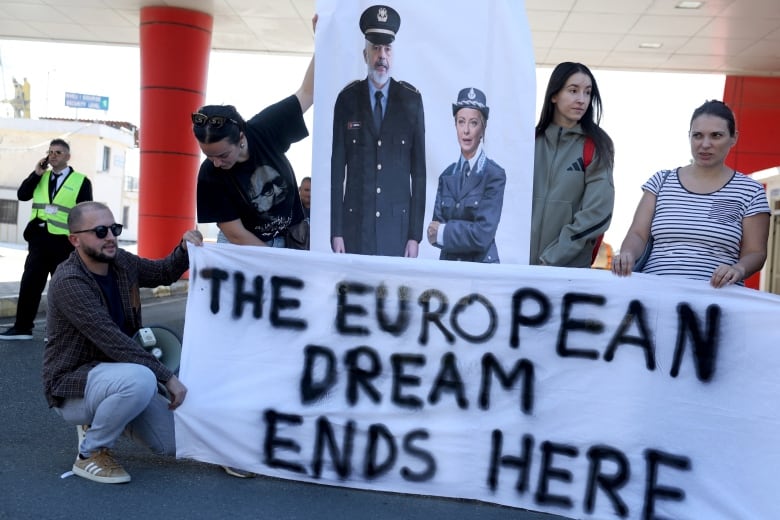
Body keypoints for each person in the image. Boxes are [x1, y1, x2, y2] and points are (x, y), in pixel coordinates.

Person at [42, 201, 202, 484]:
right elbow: (112, 340)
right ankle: (90, 453)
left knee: (174, 444)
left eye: (114, 229)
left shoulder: (121, 263)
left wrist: (184, 249)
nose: (110, 237)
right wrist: (167, 378)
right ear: (75, 239)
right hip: (75, 384)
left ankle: (111, 412)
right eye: (101, 231)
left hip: (119, 376)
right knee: (141, 379)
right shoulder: (69, 281)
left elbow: (162, 272)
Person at [611, 100, 770, 288]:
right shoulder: (660, 182)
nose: (705, 144)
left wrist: (739, 269)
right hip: (655, 296)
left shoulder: (751, 191)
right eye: (697, 135)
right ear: (689, 136)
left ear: (733, 138)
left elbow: (756, 252)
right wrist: (628, 253)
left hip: (717, 301)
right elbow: (637, 234)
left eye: (716, 135)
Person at [330, 4, 426, 257]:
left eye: (387, 49)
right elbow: (337, 169)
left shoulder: (411, 101)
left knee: (394, 295)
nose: (381, 56)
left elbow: (419, 174)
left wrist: (414, 236)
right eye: (375, 48)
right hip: (354, 228)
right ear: (365, 54)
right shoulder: (347, 100)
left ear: (393, 54)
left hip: (397, 230)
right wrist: (336, 231)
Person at [194, 54, 314, 248]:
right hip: (242, 246)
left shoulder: (265, 128)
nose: (216, 163)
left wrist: (321, 37)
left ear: (241, 138)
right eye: (209, 156)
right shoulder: (209, 174)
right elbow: (236, 234)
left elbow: (307, 93)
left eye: (223, 155)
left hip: (289, 238)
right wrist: (272, 263)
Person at [0, 139, 93, 341]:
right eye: (50, 152)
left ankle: (58, 332)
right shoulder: (41, 176)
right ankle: (22, 328)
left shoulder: (81, 181)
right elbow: (22, 195)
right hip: (39, 239)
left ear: (68, 157)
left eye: (58, 152)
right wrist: (36, 173)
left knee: (62, 288)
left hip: (64, 242)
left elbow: (86, 213)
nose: (53, 155)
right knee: (30, 284)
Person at [529, 62, 615, 267]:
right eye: (573, 90)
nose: (581, 100)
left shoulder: (596, 145)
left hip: (567, 271)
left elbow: (598, 212)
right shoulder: (529, 142)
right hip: (519, 267)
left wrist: (551, 258)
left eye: (587, 93)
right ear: (554, 95)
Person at [427, 88, 506, 263]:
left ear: (483, 127)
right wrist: (450, 232)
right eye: (461, 122)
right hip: (450, 268)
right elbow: (432, 234)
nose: (466, 131)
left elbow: (482, 235)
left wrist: (444, 232)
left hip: (481, 269)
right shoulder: (446, 175)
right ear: (455, 126)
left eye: (473, 123)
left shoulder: (494, 174)